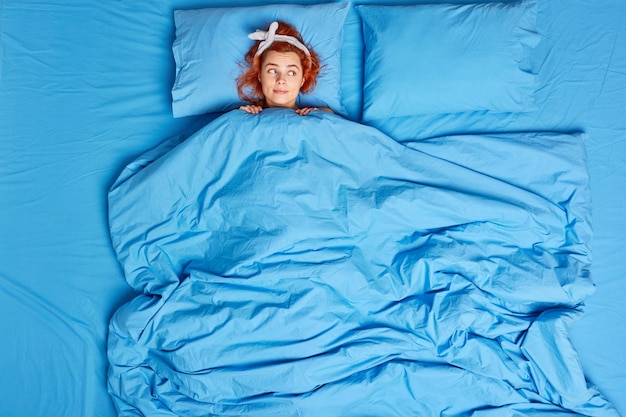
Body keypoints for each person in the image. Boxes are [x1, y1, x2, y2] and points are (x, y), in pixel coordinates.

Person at [237, 21, 333, 115]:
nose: (281, 80)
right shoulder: (246, 115)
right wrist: (241, 117)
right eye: (272, 71)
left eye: (291, 73)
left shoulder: (313, 116)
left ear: (302, 80)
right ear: (260, 76)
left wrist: (321, 115)